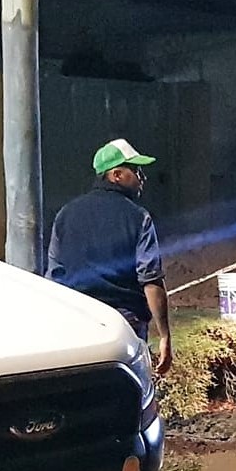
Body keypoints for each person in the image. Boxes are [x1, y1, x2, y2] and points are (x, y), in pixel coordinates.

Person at [46, 138, 173, 375]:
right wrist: (164, 334)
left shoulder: (65, 215)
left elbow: (54, 277)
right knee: (129, 395)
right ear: (115, 174)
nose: (142, 178)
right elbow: (151, 280)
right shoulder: (138, 217)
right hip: (125, 325)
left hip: (79, 322)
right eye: (135, 170)